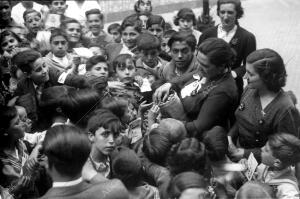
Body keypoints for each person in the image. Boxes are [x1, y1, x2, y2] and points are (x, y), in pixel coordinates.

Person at [154, 38, 239, 139]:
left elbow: (198, 126)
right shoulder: (208, 71)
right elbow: (186, 78)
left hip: (197, 138)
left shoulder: (222, 91)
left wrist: (167, 125)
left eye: (205, 65)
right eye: (198, 62)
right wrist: (169, 84)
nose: (199, 67)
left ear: (221, 66)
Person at [228, 49, 300, 163]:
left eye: (250, 74)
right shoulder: (250, 89)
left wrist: (244, 154)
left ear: (267, 77)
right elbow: (241, 118)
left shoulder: (285, 109)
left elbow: (286, 150)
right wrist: (229, 137)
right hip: (238, 151)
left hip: (263, 165)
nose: (245, 77)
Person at [40, 124, 129, 199]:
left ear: (46, 163)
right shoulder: (114, 192)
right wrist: (91, 174)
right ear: (84, 160)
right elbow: (117, 187)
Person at [199, 0, 256, 96]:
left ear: (237, 13)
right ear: (218, 12)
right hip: (206, 85)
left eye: (230, 12)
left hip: (232, 87)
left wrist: (234, 73)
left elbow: (250, 65)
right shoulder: (206, 34)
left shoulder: (247, 37)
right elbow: (198, 60)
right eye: (222, 12)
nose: (225, 16)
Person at [0, 106, 41, 198]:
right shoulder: (2, 162)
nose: (24, 124)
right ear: (4, 131)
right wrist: (16, 189)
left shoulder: (22, 144)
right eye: (17, 123)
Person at [256, 133, 300, 199]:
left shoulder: (288, 189)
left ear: (277, 162)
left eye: (266, 150)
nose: (262, 148)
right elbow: (260, 175)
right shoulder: (267, 164)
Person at [82, 109, 122, 180]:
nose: (111, 141)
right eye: (105, 134)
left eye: (115, 135)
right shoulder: (80, 165)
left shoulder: (117, 159)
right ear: (91, 136)